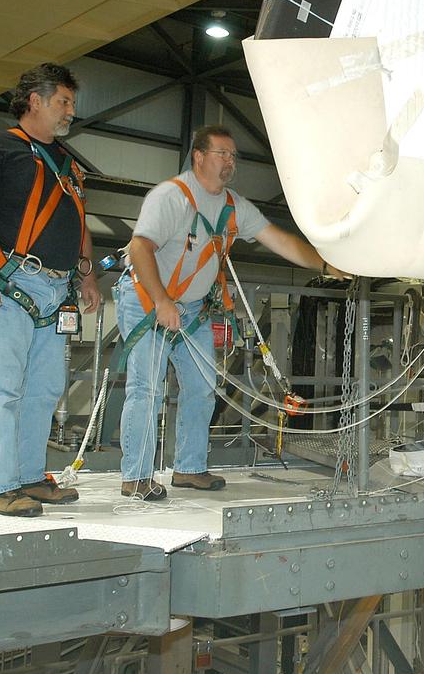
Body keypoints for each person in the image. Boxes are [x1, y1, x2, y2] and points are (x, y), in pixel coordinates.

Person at [115, 125, 346, 499]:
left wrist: (325, 265)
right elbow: (140, 248)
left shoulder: (233, 206)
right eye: (222, 154)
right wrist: (160, 301)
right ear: (199, 157)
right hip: (147, 301)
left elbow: (279, 240)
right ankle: (136, 477)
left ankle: (188, 469)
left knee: (203, 388)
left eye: (233, 156)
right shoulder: (171, 197)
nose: (230, 162)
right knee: (147, 390)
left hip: (193, 310)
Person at [0, 63, 101, 517]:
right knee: (2, 389)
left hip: (57, 291)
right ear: (34, 101)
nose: (70, 112)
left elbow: (77, 221)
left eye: (72, 104)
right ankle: (0, 486)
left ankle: (30, 477)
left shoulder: (68, 162)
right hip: (12, 284)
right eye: (63, 102)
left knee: (43, 389)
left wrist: (87, 275)